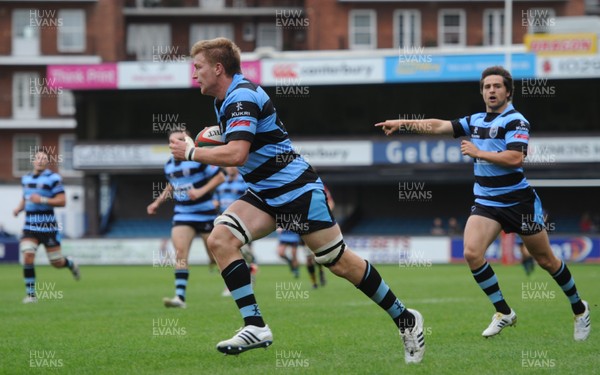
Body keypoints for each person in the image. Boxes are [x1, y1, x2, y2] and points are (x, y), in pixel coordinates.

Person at [169, 37, 425, 363]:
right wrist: (216, 135)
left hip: (296, 191)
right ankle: (255, 325)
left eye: (199, 67)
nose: (194, 74)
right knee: (220, 239)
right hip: (265, 193)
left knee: (338, 262)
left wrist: (193, 151)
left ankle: (406, 318)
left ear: (218, 68)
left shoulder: (241, 98)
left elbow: (236, 153)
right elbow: (239, 141)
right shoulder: (226, 101)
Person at [376, 65, 590, 341]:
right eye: (487, 87)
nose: (491, 90)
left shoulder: (516, 121)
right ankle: (504, 312)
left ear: (508, 91)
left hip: (518, 201)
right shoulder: (476, 120)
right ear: (482, 91)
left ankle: (579, 307)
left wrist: (479, 152)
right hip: (487, 201)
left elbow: (516, 158)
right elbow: (440, 125)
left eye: (497, 86)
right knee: (472, 253)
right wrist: (403, 123)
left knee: (546, 260)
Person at [147, 129, 225, 308]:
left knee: (215, 256)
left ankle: (237, 279)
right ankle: (180, 298)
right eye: (173, 141)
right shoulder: (169, 165)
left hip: (205, 213)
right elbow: (171, 186)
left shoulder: (199, 159)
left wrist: (200, 191)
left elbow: (220, 177)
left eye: (181, 140)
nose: (176, 143)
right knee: (180, 254)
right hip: (183, 214)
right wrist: (157, 203)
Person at [12, 150, 80, 304]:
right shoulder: (26, 178)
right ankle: (31, 295)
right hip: (30, 226)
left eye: (44, 159)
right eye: (38, 158)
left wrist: (41, 199)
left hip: (48, 226)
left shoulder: (53, 178)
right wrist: (19, 208)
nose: (40, 161)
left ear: (47, 162)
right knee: (28, 255)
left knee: (56, 263)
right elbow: (26, 197)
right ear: (33, 160)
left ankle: (70, 263)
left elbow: (62, 201)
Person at [214, 166, 258, 297]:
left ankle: (247, 279)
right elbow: (216, 199)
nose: (230, 167)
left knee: (243, 255)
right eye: (227, 165)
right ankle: (231, 285)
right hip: (224, 224)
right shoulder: (221, 182)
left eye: (232, 165)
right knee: (226, 256)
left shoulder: (244, 181)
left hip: (242, 223)